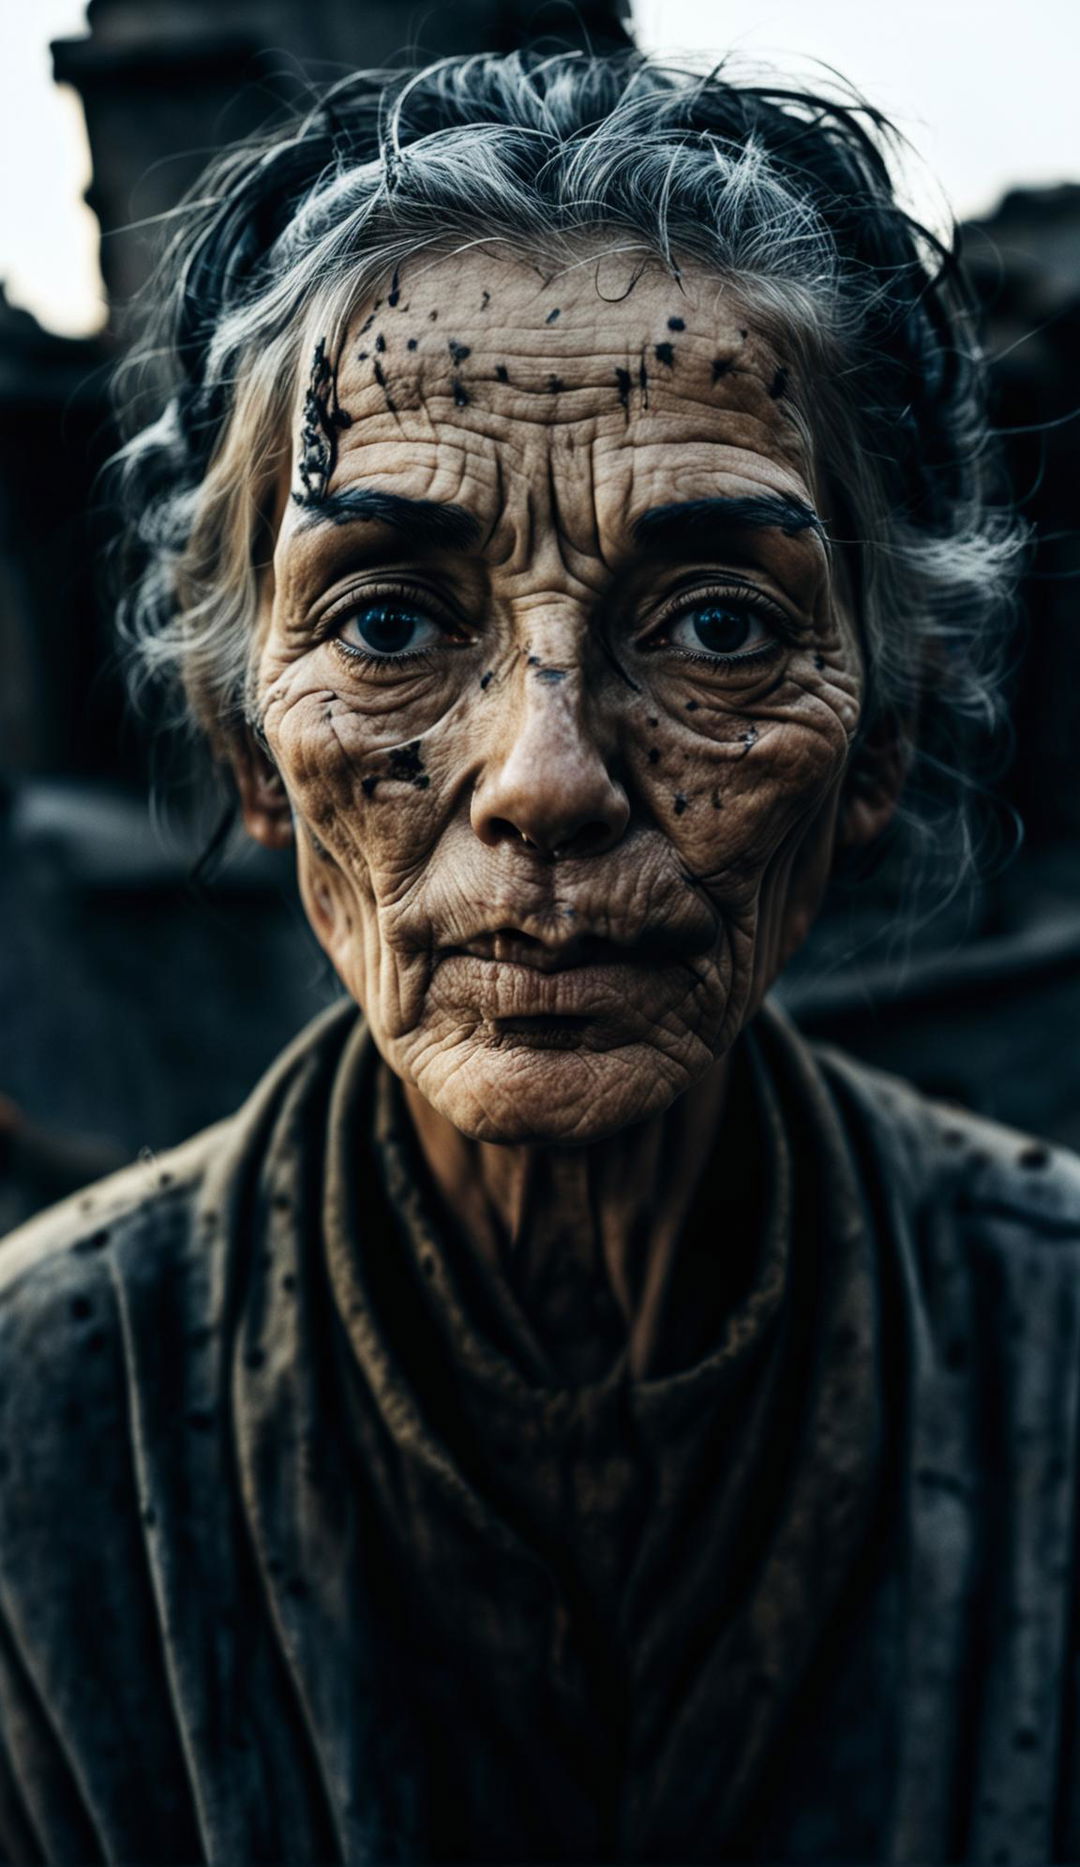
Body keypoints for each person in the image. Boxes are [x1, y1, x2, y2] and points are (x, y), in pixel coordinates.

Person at [0, 48, 1075, 1866]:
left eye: (721, 622)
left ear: (882, 736)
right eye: (394, 618)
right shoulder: (37, 1434)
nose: (546, 779)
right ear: (256, 752)